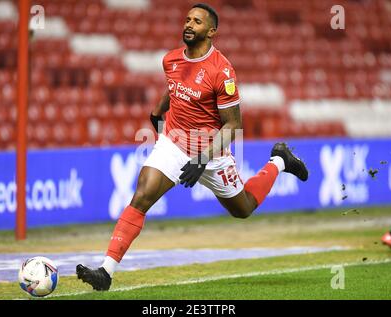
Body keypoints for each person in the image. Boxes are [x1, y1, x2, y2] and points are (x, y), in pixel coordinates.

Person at [76, 3, 308, 291]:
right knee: (142, 194)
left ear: (211, 31)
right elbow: (174, 88)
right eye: (187, 19)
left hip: (212, 151)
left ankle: (280, 160)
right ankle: (106, 272)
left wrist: (203, 158)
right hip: (174, 141)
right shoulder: (171, 60)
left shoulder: (222, 72)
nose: (188, 24)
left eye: (197, 22)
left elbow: (233, 126)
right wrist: (157, 110)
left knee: (243, 209)